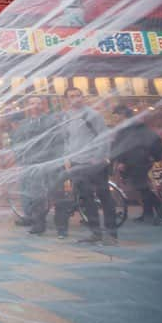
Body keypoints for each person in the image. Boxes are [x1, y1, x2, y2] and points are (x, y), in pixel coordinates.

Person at [57, 87, 117, 245]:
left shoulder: (92, 115)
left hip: (94, 162)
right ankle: (95, 232)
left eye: (78, 95)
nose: (76, 98)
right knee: (86, 198)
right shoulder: (66, 117)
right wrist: (67, 158)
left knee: (104, 196)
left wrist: (98, 158)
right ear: (67, 100)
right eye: (71, 96)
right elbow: (66, 139)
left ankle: (111, 234)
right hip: (77, 162)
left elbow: (104, 136)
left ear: (82, 97)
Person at [11, 96, 66, 235]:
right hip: (32, 164)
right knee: (36, 195)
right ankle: (39, 224)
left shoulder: (52, 121)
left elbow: (59, 140)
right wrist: (21, 160)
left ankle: (62, 226)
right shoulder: (24, 124)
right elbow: (18, 144)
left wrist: (59, 159)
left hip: (50, 162)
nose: (35, 105)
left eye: (38, 103)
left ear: (43, 105)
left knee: (56, 194)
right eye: (31, 103)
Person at [111, 105, 162, 225]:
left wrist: (121, 161)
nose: (115, 118)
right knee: (142, 187)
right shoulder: (133, 125)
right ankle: (147, 214)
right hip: (139, 159)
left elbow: (125, 146)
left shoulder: (129, 127)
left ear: (122, 114)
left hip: (137, 160)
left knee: (143, 188)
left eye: (116, 115)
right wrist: (155, 156)